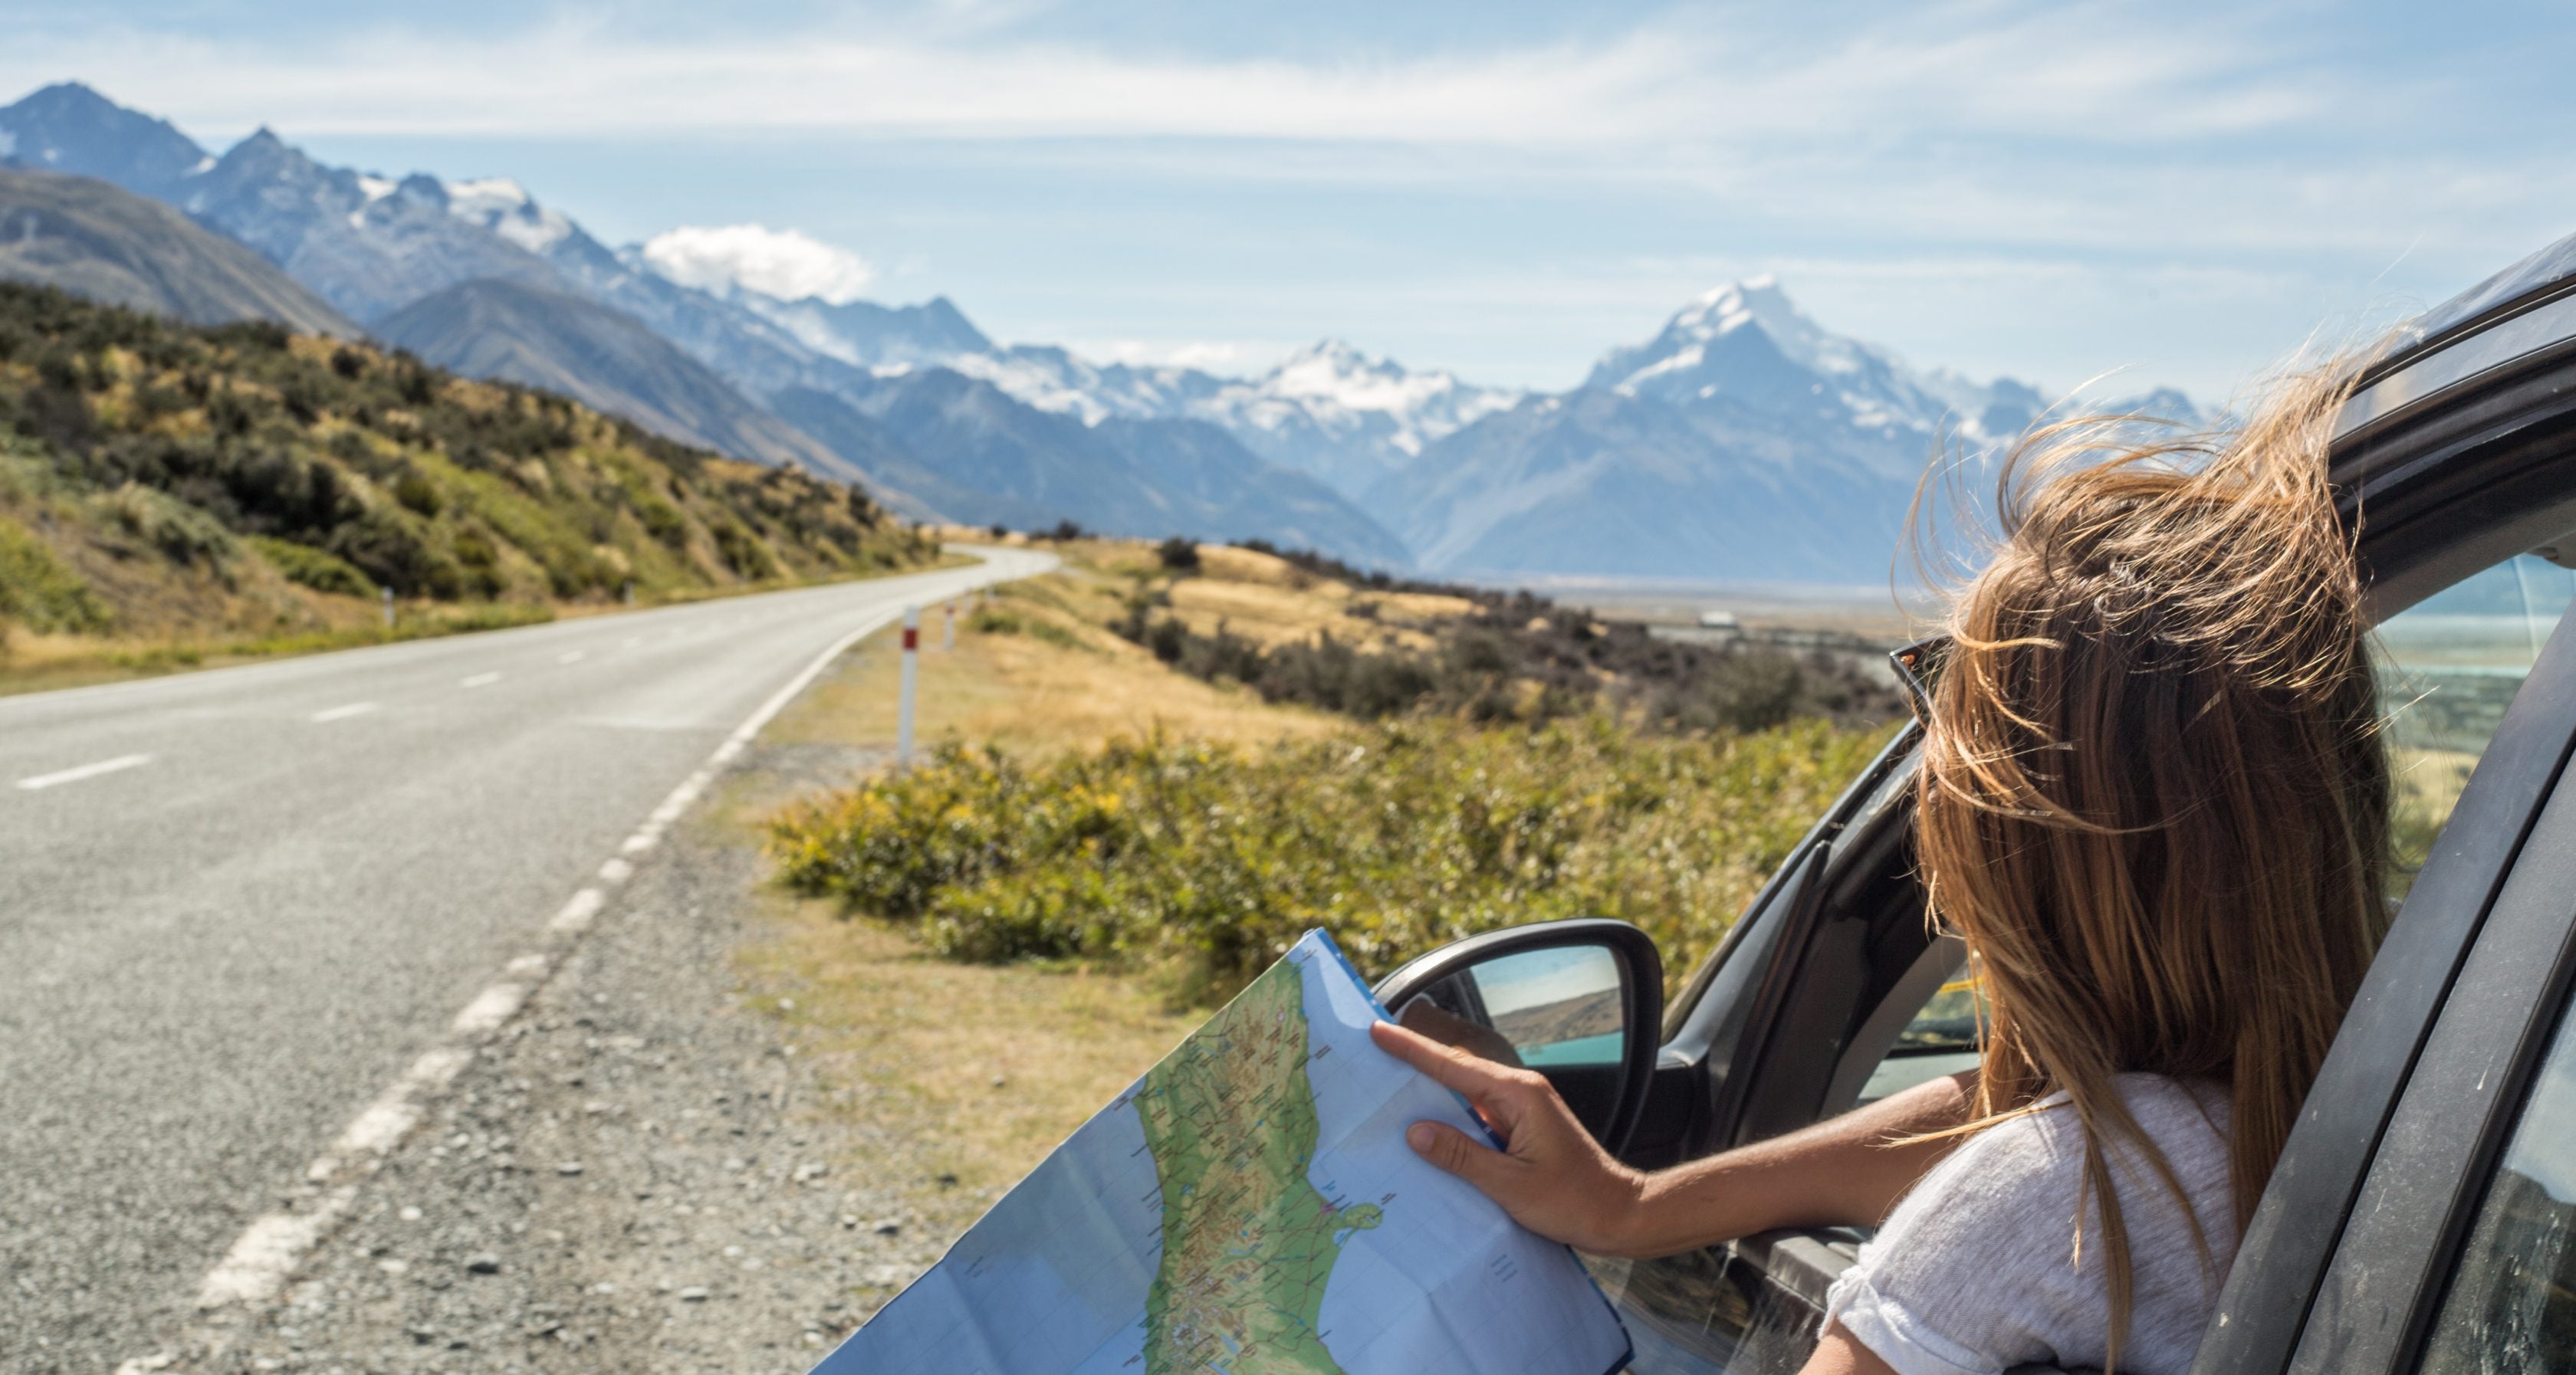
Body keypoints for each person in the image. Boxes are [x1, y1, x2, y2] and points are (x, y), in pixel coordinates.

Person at [1372, 366, 2392, 1375]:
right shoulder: (2370, 1106)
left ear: (2022, 846)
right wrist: (1627, 1206)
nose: (1927, 796)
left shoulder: (2039, 1214)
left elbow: (2032, 1170)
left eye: (1948, 740)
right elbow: (2007, 1122)